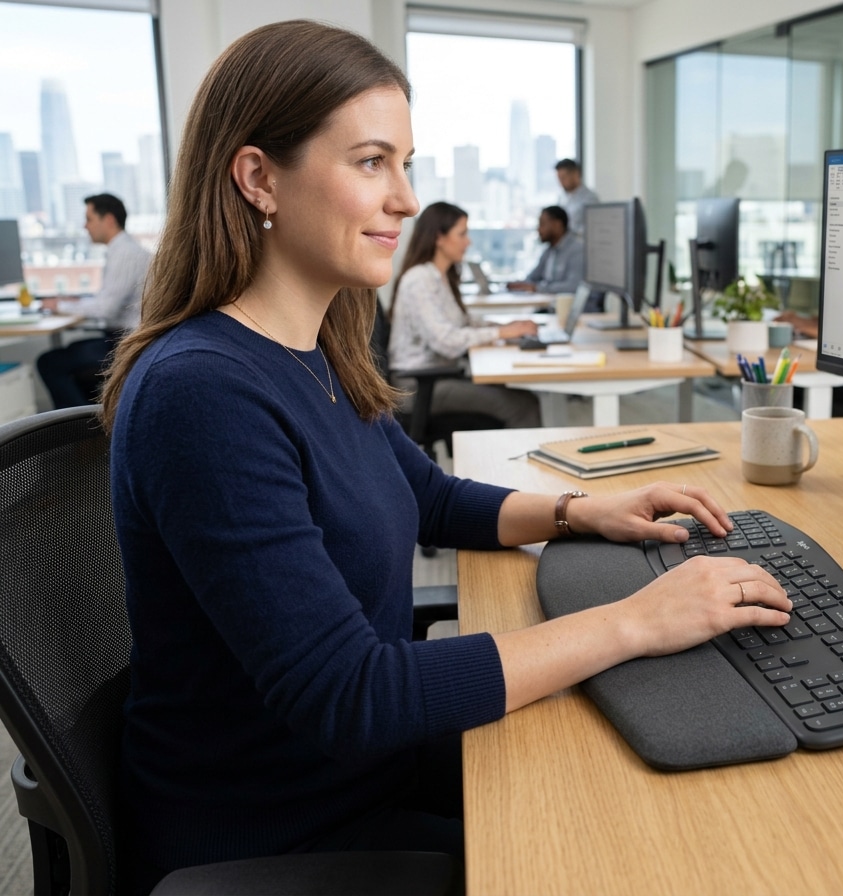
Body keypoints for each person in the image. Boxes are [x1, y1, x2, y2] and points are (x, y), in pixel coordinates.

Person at [98, 20, 789, 894]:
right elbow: (351, 693)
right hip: (275, 829)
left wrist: (581, 510)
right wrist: (635, 622)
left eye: (407, 164)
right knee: (627, 845)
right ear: (258, 177)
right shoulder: (203, 392)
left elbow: (423, 495)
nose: (403, 199)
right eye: (371, 162)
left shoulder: (318, 347)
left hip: (361, 773)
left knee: (638, 783)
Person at [388, 201, 542, 428]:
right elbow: (446, 341)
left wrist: (505, 327)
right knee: (521, 405)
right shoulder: (419, 281)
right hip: (419, 387)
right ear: (439, 238)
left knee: (515, 394)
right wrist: (500, 332)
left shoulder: (440, 276)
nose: (468, 241)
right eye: (462, 234)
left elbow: (463, 323)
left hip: (440, 375)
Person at [37, 193, 151, 407]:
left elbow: (106, 308)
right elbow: (108, 300)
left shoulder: (126, 253)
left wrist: (60, 306)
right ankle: (91, 425)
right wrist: (74, 302)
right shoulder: (123, 250)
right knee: (70, 356)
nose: (85, 226)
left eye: (89, 219)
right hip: (121, 338)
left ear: (108, 220)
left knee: (50, 363)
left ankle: (76, 428)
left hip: (125, 343)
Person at [505, 205, 583, 295]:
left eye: (542, 224)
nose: (538, 229)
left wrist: (536, 288)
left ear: (557, 225)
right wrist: (519, 285)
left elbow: (573, 286)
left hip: (569, 307)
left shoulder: (577, 250)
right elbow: (533, 277)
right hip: (550, 304)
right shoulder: (549, 251)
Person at [554, 158, 599, 235]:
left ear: (576, 174)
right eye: (559, 178)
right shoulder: (561, 197)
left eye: (563, 177)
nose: (561, 182)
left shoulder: (590, 198)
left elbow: (594, 227)